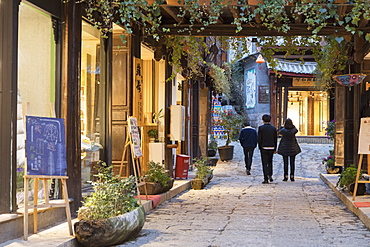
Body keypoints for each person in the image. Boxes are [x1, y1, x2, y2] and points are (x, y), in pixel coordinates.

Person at [258, 114, 277, 184]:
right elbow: (275, 139)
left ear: (263, 120)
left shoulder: (261, 128)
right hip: (271, 147)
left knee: (264, 163)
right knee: (270, 162)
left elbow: (259, 139)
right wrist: (275, 148)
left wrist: (260, 147)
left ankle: (265, 178)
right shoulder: (273, 128)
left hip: (264, 147)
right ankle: (270, 175)